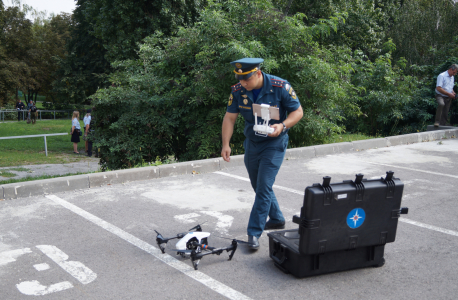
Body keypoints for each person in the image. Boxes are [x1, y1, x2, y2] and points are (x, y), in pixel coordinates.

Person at [221, 58, 303, 250]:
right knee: (258, 185)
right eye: (240, 79)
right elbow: (229, 118)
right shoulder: (238, 91)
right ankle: (276, 218)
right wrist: (226, 144)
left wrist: (283, 125)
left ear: (258, 73)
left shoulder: (280, 86)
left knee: (264, 186)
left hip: (274, 143)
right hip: (253, 143)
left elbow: (298, 112)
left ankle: (253, 233)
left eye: (247, 79)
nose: (243, 83)